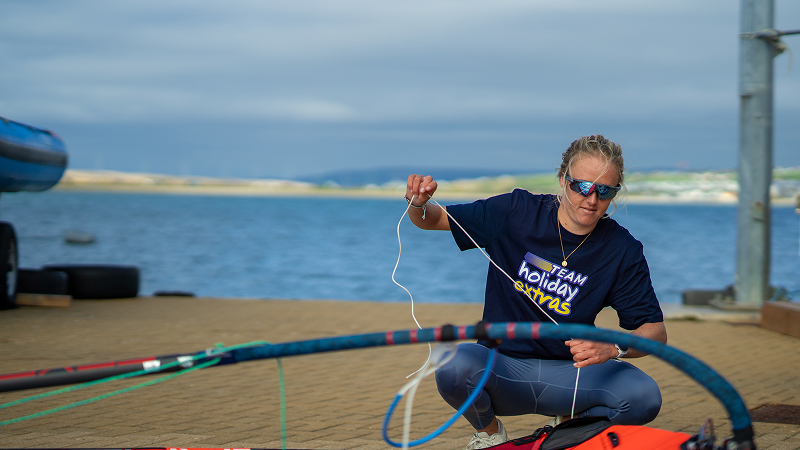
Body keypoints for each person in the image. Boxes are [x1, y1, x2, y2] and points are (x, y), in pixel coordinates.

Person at [405, 135, 667, 450]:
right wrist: (417, 203)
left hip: (573, 375)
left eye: (605, 191)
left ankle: (570, 431)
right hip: (502, 368)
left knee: (644, 397)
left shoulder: (622, 249)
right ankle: (489, 435)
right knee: (452, 364)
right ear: (562, 179)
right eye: (581, 186)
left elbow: (654, 331)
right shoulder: (516, 211)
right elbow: (430, 219)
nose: (591, 199)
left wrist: (613, 348)